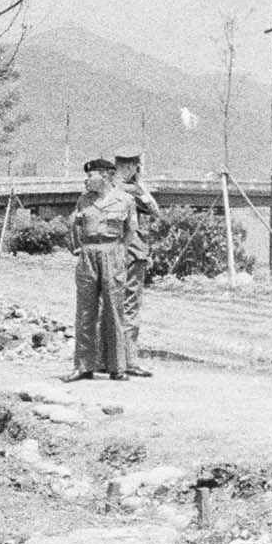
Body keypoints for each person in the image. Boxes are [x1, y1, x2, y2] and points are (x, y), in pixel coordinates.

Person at [66, 158, 135, 381]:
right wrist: (78, 250)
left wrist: (120, 252)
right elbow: (75, 227)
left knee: (114, 311)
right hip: (88, 255)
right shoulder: (83, 201)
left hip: (112, 252)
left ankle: (117, 368)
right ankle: (84, 366)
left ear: (104, 176)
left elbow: (130, 231)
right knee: (85, 310)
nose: (87, 180)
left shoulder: (125, 200)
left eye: (90, 175)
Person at [113, 152, 163, 377]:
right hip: (132, 252)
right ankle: (128, 360)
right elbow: (155, 211)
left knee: (110, 305)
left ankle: (109, 359)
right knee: (130, 307)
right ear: (134, 167)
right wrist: (140, 184)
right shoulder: (133, 191)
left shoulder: (106, 189)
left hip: (111, 253)